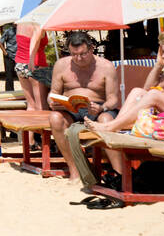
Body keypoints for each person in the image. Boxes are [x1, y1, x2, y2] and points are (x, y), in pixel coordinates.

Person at [88, 29, 164, 139]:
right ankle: (117, 126)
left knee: (154, 95)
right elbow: (147, 90)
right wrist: (158, 65)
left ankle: (111, 126)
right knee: (137, 92)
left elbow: (153, 94)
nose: (162, 56)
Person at [47, 31, 120, 165]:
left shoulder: (106, 66)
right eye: (74, 54)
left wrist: (102, 108)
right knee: (55, 118)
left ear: (91, 49)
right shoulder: (61, 65)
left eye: (83, 54)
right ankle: (74, 168)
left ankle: (118, 171)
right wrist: (53, 102)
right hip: (70, 109)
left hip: (98, 108)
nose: (79, 58)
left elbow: (113, 99)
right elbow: (53, 93)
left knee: (106, 119)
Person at [13, 20, 50, 109]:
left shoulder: (20, 23)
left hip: (20, 64)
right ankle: (41, 123)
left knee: (30, 105)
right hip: (35, 65)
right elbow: (35, 40)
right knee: (41, 105)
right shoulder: (38, 24)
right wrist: (31, 61)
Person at [0, 23, 18, 92]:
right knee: (9, 75)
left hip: (19, 55)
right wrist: (5, 52)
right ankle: (9, 91)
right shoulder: (8, 31)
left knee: (22, 74)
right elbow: (0, 42)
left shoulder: (21, 31)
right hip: (9, 55)